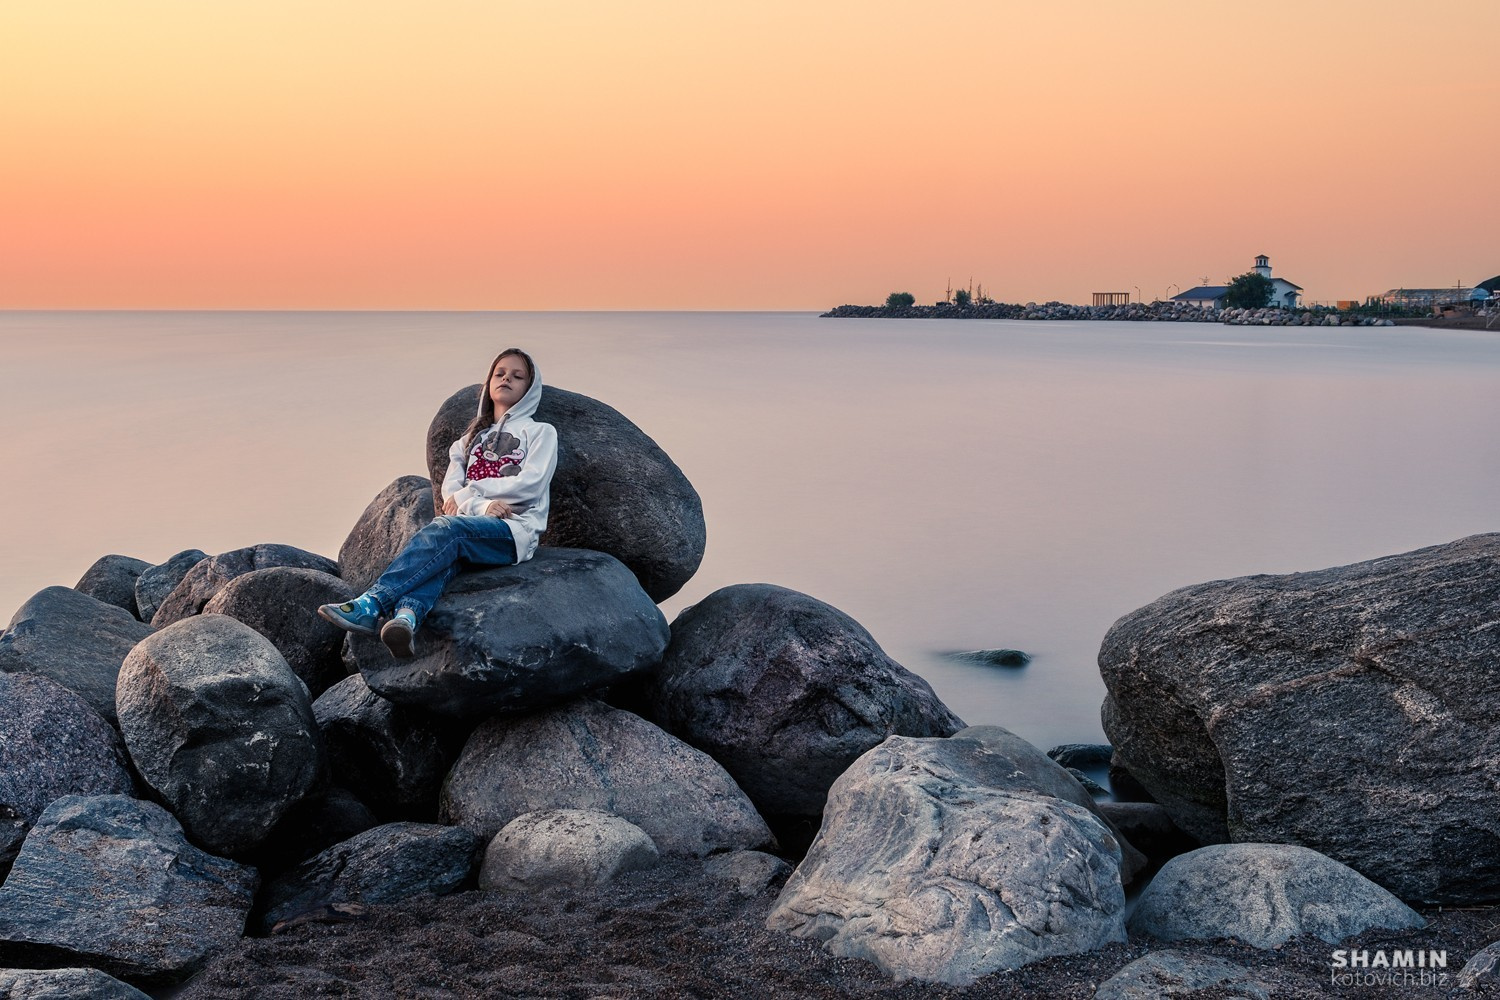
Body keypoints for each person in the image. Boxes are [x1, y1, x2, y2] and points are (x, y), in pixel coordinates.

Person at [319, 348, 558, 658]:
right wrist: (481, 505)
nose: (506, 379)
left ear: (530, 387)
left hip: (514, 532)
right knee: (446, 556)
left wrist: (470, 497)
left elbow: (531, 484)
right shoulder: (470, 439)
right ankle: (407, 618)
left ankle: (372, 603)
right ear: (489, 383)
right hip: (475, 527)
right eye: (500, 373)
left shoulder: (540, 433)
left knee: (446, 530)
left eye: (517, 375)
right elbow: (450, 493)